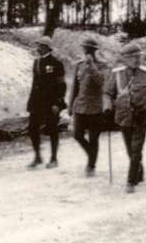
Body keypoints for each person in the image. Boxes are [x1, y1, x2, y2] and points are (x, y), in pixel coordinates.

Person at [103, 43, 146, 193]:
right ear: (125, 59)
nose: (137, 60)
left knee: (136, 149)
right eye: (133, 57)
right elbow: (108, 93)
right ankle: (138, 170)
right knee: (130, 149)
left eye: (139, 57)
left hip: (142, 117)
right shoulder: (117, 74)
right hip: (123, 117)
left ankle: (131, 180)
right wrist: (107, 107)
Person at [26, 35, 67, 169]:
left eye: (41, 46)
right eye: (38, 46)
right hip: (37, 102)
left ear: (47, 47)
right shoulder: (36, 63)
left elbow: (61, 85)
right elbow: (35, 84)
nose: (38, 48)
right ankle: (38, 156)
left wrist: (57, 102)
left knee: (52, 129)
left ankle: (54, 158)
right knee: (33, 128)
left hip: (51, 103)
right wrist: (30, 103)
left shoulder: (57, 63)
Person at [69, 36, 107, 177]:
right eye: (84, 48)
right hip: (80, 105)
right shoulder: (79, 65)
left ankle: (91, 165)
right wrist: (70, 105)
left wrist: (92, 66)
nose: (86, 51)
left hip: (95, 107)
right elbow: (75, 86)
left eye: (89, 48)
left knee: (93, 137)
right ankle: (92, 155)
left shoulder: (102, 65)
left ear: (94, 50)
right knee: (77, 135)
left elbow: (101, 82)